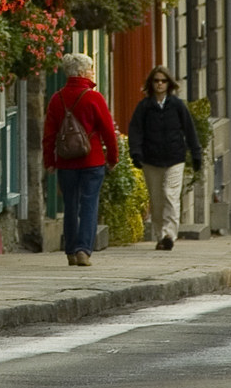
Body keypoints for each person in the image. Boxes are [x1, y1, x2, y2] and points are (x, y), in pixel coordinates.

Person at [42, 52, 121, 266]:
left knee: (70, 205)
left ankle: (69, 250)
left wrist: (49, 161)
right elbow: (108, 132)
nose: (93, 72)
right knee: (89, 204)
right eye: (91, 68)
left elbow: (49, 134)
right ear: (83, 72)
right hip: (92, 160)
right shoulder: (94, 97)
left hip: (66, 162)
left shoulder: (57, 98)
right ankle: (83, 250)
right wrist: (112, 157)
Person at [127, 66, 204, 251]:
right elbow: (135, 131)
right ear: (151, 84)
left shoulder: (177, 105)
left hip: (174, 157)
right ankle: (160, 235)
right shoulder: (144, 107)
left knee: (170, 194)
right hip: (151, 159)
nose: (160, 84)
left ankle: (170, 234)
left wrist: (196, 153)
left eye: (163, 81)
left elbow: (189, 130)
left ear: (169, 84)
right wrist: (136, 153)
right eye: (156, 81)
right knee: (157, 199)